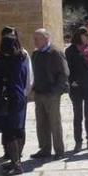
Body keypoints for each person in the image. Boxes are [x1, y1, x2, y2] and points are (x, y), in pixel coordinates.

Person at [0, 35, 29, 175]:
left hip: (7, 98)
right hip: (20, 96)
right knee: (19, 129)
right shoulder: (22, 58)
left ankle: (16, 166)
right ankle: (16, 162)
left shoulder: (1, 61)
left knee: (9, 132)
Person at [31, 28, 69, 159]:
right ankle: (45, 149)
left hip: (52, 94)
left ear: (46, 39)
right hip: (39, 93)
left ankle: (59, 151)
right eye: (34, 39)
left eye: (37, 39)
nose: (34, 41)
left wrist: (55, 91)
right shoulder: (35, 54)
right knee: (41, 123)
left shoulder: (56, 53)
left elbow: (64, 73)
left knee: (54, 123)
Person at [65, 26, 88, 152]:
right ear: (79, 36)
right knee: (78, 115)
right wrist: (72, 81)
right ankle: (78, 142)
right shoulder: (70, 50)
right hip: (77, 87)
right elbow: (68, 68)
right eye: (86, 35)